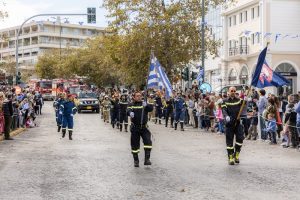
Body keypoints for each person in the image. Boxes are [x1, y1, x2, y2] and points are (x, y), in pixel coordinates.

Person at [127, 91, 153, 167]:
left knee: (148, 142)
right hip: (135, 127)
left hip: (144, 127)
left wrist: (147, 106)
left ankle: (147, 159)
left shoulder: (144, 103)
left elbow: (150, 109)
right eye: (137, 96)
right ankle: (136, 160)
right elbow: (128, 110)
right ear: (134, 97)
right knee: (135, 145)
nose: (139, 97)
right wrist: (130, 113)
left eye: (140, 96)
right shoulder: (131, 104)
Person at [222, 86, 246, 165]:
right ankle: (231, 157)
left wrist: (246, 99)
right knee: (229, 142)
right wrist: (226, 116)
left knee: (240, 139)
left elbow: (245, 103)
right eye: (231, 91)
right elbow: (224, 110)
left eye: (234, 91)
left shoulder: (239, 100)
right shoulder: (224, 101)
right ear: (228, 92)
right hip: (229, 123)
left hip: (237, 122)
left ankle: (237, 154)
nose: (233, 92)